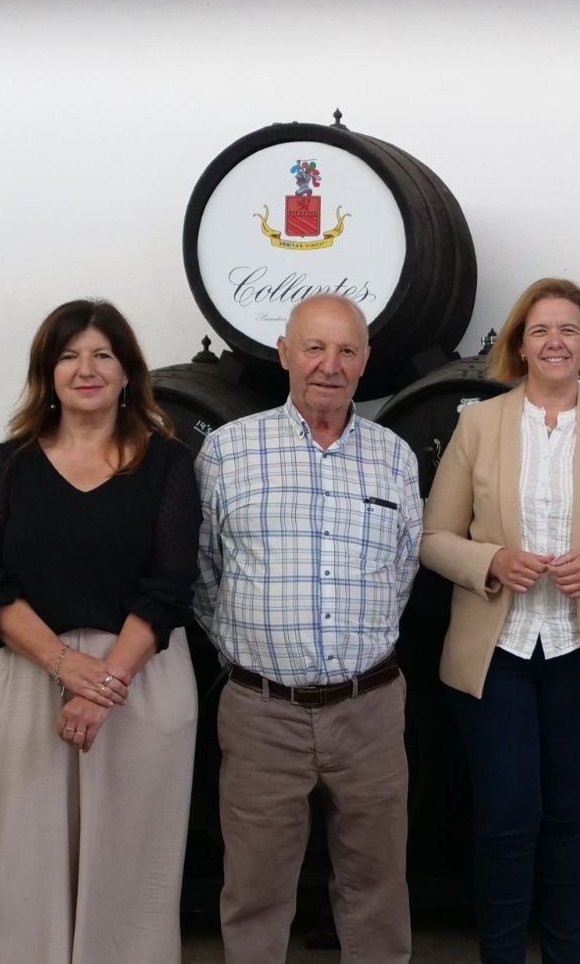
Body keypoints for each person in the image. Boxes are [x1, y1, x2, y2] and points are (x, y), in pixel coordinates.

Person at [420, 277, 580, 963]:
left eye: (568, 329)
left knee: (567, 821)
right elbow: (433, 538)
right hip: (494, 654)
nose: (555, 341)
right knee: (505, 821)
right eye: (540, 330)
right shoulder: (478, 424)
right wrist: (494, 559)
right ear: (520, 346)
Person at [0, 298, 200, 964]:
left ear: (128, 372)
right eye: (68, 355)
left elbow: (170, 586)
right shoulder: (11, 463)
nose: (85, 368)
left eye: (102, 354)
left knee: (132, 869)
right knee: (27, 866)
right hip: (28, 676)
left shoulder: (168, 466)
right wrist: (67, 668)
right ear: (48, 372)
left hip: (139, 681)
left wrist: (103, 684)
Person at [193, 292, 422, 964]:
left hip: (370, 709)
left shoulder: (394, 457)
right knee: (256, 891)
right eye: (315, 347)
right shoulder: (230, 452)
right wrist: (253, 646)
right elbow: (204, 572)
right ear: (285, 353)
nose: (331, 364)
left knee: (377, 886)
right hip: (263, 712)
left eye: (347, 350)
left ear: (365, 362)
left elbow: (403, 568)